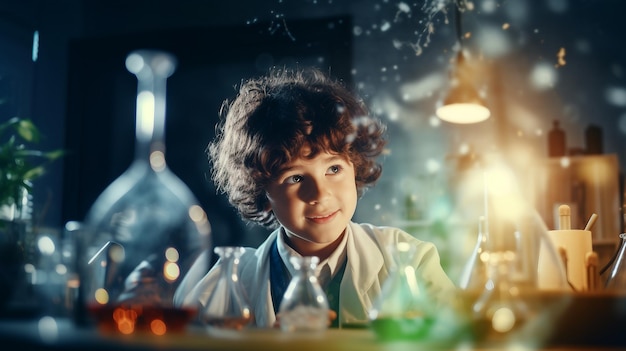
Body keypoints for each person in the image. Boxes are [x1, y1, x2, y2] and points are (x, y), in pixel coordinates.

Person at [174, 67, 455, 328]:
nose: (320, 194)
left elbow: (459, 339)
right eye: (295, 178)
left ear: (355, 166)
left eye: (333, 169)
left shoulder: (409, 259)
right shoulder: (228, 282)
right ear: (262, 191)